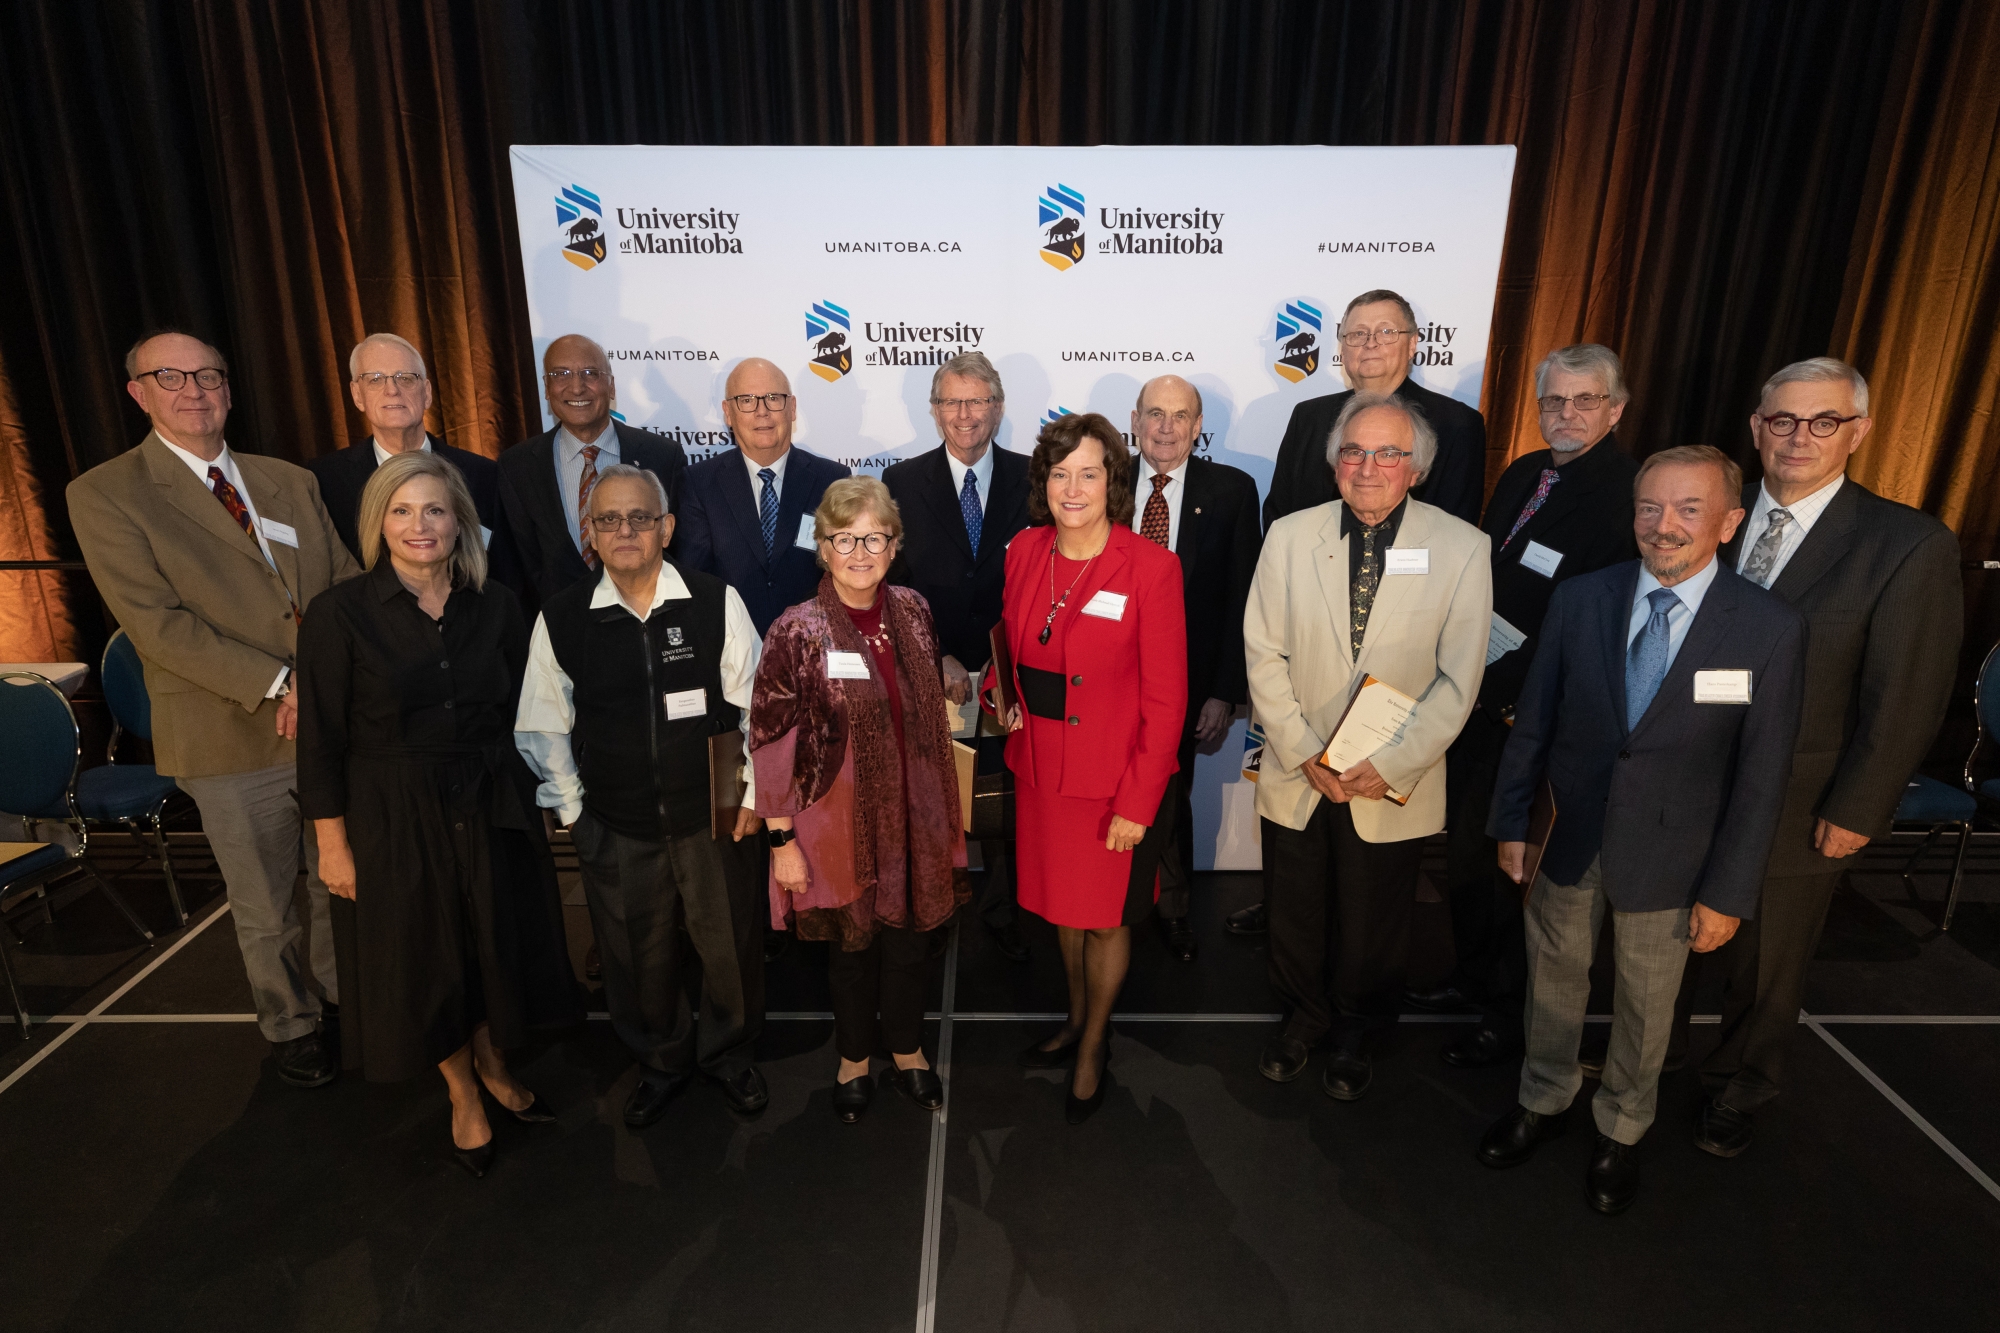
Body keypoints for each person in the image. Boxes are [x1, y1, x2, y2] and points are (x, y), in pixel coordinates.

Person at [1480, 445, 1805, 1216]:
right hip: (1568, 833)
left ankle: (1622, 1127)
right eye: (1650, 507)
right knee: (1553, 980)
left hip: (1675, 858)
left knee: (1647, 1006)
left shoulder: (1769, 628)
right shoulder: (1582, 597)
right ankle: (1544, 1097)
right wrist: (1511, 821)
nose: (1664, 526)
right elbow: (1537, 721)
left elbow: (1763, 780)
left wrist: (1728, 890)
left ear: (1729, 522)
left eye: (1689, 510)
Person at [1671, 358, 1962, 1158]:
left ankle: (1741, 1083)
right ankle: (1654, 1061)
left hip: (1801, 798)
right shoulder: (1703, 517)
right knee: (1665, 938)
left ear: (1859, 431)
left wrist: (1859, 807)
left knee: (1766, 961)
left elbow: (1906, 698)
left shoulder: (1906, 545)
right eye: (1783, 420)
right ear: (1756, 428)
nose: (1800, 436)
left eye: (1823, 421)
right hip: (1682, 783)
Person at [68, 329, 358, 1090]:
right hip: (230, 731)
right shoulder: (105, 493)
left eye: (209, 375)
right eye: (172, 376)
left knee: (338, 879)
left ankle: (340, 1000)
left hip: (327, 723)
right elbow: (157, 624)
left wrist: (326, 683)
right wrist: (278, 682)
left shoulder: (287, 480)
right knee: (265, 901)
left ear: (228, 389)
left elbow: (343, 587)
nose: (194, 389)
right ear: (138, 392)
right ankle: (291, 1023)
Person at [298, 452, 579, 1178]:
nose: (419, 525)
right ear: (377, 523)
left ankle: (492, 1058)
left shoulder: (500, 605)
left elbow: (528, 712)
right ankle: (462, 1092)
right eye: (401, 510)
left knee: (490, 940)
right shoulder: (339, 613)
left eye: (434, 509)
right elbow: (322, 737)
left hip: (491, 799)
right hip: (393, 811)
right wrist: (332, 842)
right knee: (426, 956)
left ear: (460, 520)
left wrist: (542, 797)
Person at [1244, 393, 1491, 1100]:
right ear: (1333, 463)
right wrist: (1304, 751)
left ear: (1416, 468)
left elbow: (1460, 676)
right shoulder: (1289, 535)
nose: (1369, 466)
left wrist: (1389, 761)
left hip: (1390, 777)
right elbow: (1262, 651)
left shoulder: (1462, 548)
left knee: (1375, 915)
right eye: (1354, 451)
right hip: (1300, 767)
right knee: (1293, 903)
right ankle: (1303, 1016)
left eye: (1389, 453)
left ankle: (1358, 1028)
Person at [513, 464, 770, 1125]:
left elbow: (760, 708)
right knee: (635, 957)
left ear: (668, 528)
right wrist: (572, 811)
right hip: (616, 822)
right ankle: (661, 1060)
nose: (625, 530)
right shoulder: (563, 618)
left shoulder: (716, 600)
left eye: (640, 517)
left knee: (729, 949)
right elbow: (542, 724)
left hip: (712, 815)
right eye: (609, 519)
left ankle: (729, 1053)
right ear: (588, 534)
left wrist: (750, 793)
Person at [1427, 344, 1640, 1068]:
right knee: (1467, 856)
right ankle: (1472, 978)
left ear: (1615, 408)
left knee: (1514, 872)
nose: (1567, 414)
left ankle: (1510, 1015)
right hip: (1477, 695)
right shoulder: (1526, 471)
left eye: (1585, 401)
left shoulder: (1626, 493)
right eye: (1554, 401)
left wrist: (1506, 679)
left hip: (1540, 713)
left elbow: (1594, 621)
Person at [986, 413, 1186, 1125]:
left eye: (1090, 472)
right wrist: (997, 697)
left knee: (1104, 920)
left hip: (1112, 784)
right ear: (1044, 482)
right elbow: (1009, 646)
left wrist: (1139, 800)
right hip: (1040, 774)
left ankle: (1095, 1040)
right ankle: (1074, 1017)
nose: (1073, 487)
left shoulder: (1151, 569)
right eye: (1060, 472)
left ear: (1114, 482)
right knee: (1063, 913)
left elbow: (1167, 701)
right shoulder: (1025, 549)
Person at [751, 478, 969, 1124]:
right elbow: (771, 743)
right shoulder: (797, 629)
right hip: (836, 825)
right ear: (822, 547)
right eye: (844, 538)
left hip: (917, 815)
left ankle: (905, 1047)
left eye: (874, 537)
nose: (860, 551)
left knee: (908, 942)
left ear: (895, 545)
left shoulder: (915, 610)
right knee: (852, 948)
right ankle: (852, 1057)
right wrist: (781, 840)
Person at [884, 352, 1034, 963]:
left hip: (1012, 669)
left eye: (977, 401)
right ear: (934, 409)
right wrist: (934, 653)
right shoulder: (899, 481)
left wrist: (1008, 659)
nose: (964, 414)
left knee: (1003, 793)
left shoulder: (1036, 478)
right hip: (930, 669)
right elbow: (890, 585)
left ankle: (1004, 909)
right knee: (931, 793)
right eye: (952, 401)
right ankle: (935, 902)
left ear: (998, 408)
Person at [1127, 375, 1262, 963]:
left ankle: (1173, 909)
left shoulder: (1232, 490)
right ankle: (1115, 902)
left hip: (1182, 683)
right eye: (1154, 414)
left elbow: (1243, 600)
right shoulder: (1097, 486)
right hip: (1103, 679)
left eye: (1179, 416)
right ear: (1134, 422)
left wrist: (1224, 693)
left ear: (1198, 426)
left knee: (1169, 796)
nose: (1165, 427)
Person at [1262, 288, 1485, 530]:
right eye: (1358, 334)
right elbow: (1278, 517)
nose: (1371, 343)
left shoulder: (1457, 423)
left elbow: (1456, 530)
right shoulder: (1307, 417)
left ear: (1412, 344)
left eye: (1386, 332)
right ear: (1343, 350)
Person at [496, 334, 689, 612]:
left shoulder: (662, 456)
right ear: (547, 388)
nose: (576, 387)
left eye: (590, 373)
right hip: (558, 632)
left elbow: (678, 553)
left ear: (611, 386)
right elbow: (512, 570)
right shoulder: (517, 467)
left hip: (650, 622)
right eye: (560, 374)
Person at [308, 333, 514, 589]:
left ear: (426, 393)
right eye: (374, 379)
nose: (392, 390)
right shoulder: (322, 482)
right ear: (357, 395)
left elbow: (505, 574)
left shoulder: (484, 475)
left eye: (405, 378)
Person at [676, 357, 852, 636]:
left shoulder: (832, 480)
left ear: (792, 408)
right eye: (747, 400)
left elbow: (847, 576)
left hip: (816, 648)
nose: (762, 412)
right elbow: (695, 580)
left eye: (773, 398)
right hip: (732, 652)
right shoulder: (699, 483)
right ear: (728, 412)